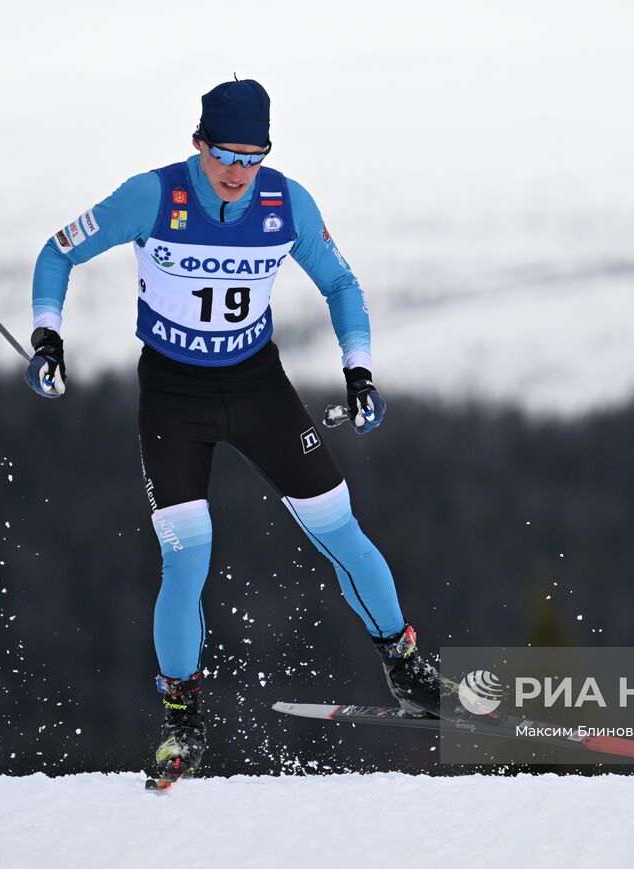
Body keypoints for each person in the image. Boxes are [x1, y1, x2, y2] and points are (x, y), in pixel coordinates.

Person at [26, 78, 451, 785]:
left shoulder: (287, 201)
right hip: (172, 395)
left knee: (339, 528)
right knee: (189, 559)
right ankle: (182, 722)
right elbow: (56, 250)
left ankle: (405, 665)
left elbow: (341, 285)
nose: (239, 172)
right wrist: (46, 337)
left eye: (253, 156)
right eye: (225, 154)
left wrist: (360, 374)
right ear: (198, 145)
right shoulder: (153, 195)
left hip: (257, 386)